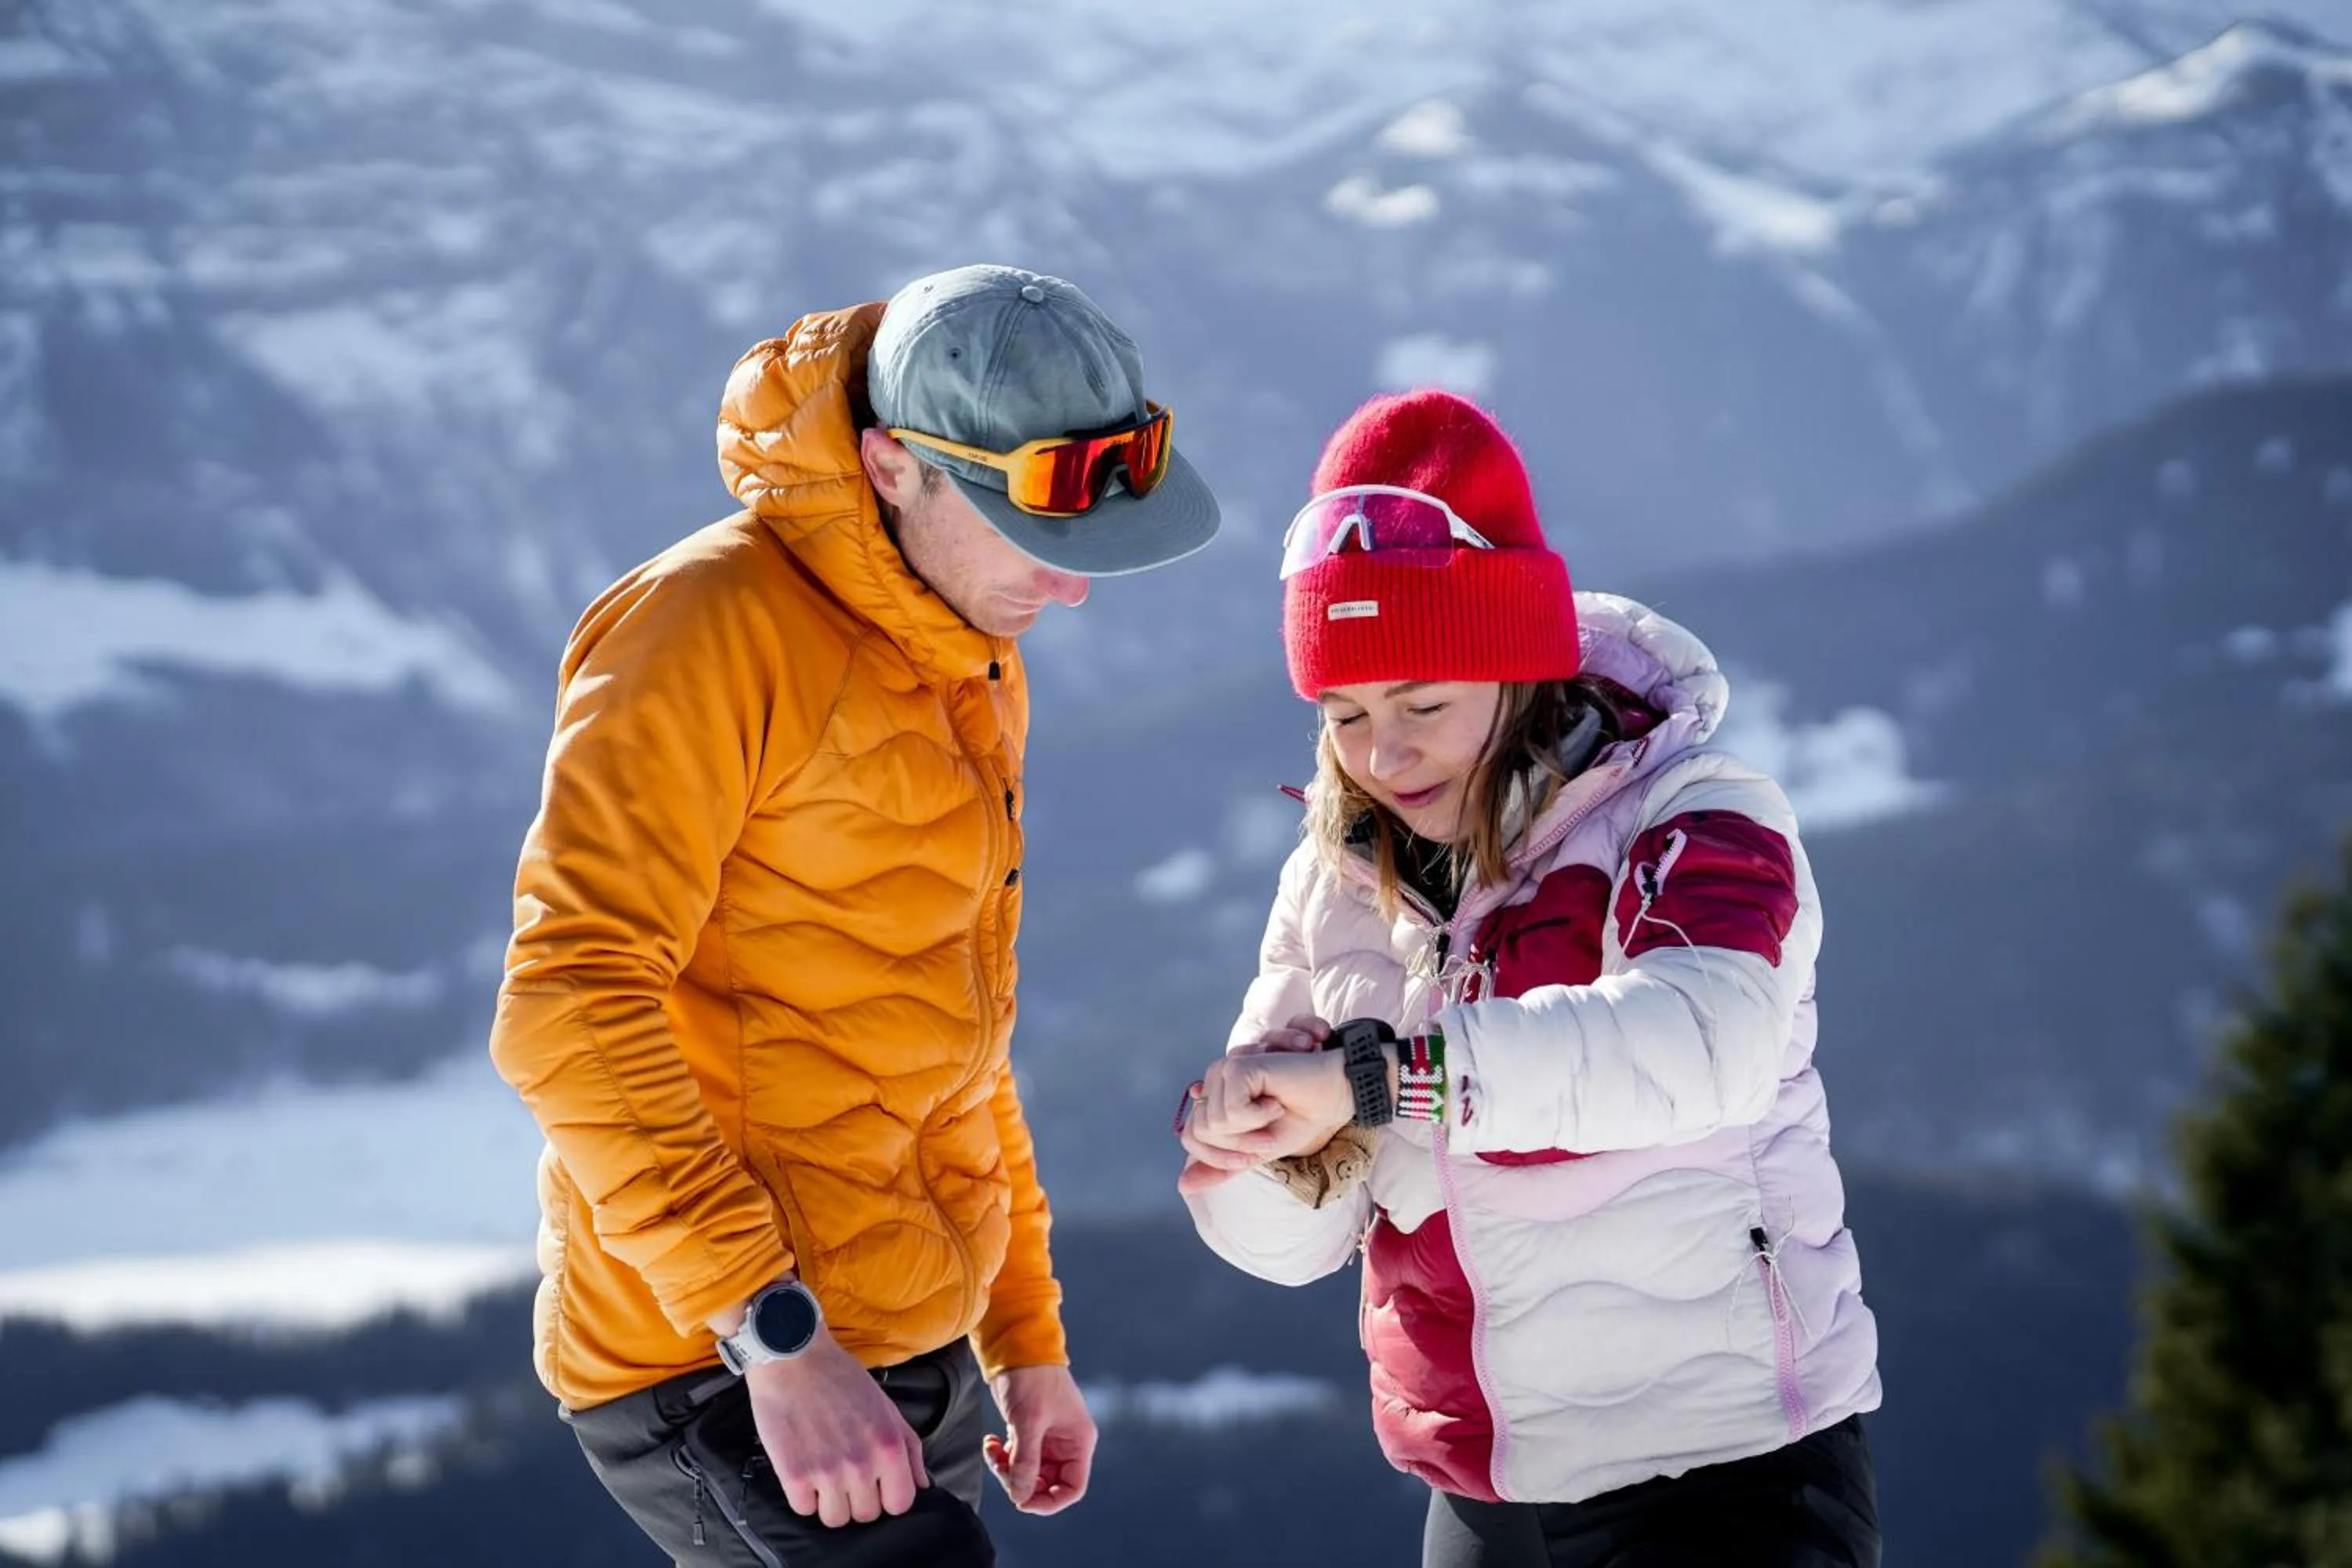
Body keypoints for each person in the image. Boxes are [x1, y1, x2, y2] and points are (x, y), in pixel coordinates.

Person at [488, 263, 1221, 1566]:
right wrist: (774, 1335)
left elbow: (944, 1035)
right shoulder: (706, 628)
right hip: (726, 1358)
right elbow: (567, 1005)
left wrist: (1021, 1335)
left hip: (904, 1345)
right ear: (895, 467)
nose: (1073, 593)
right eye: (1036, 540)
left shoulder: (962, 650)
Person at [1176, 389, 1882, 1566]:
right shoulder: (1335, 884)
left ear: (1516, 666)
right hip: (1484, 1497)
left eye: (1423, 703)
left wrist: (1382, 1082)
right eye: (1345, 712)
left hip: (1727, 1478)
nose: (1382, 752)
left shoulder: (1697, 817)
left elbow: (1703, 1048)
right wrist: (1249, 1154)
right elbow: (1300, 1246)